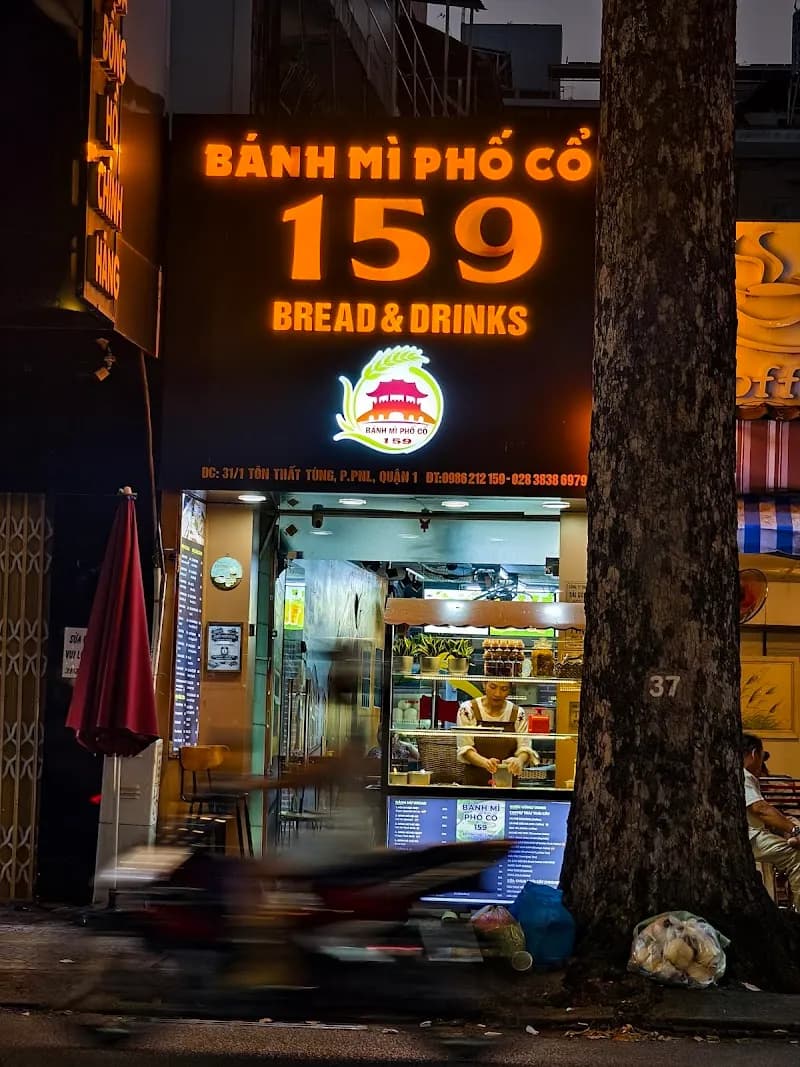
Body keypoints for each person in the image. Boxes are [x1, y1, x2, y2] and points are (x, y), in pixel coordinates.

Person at [743, 732, 800, 911]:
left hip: (754, 834)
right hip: (751, 838)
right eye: (761, 756)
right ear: (754, 754)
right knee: (796, 856)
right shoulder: (744, 776)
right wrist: (794, 830)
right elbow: (760, 809)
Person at [456, 679, 539, 786]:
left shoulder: (518, 713)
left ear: (509, 690)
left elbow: (525, 747)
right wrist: (485, 763)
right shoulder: (468, 710)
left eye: (504, 689)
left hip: (507, 781)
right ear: (484, 685)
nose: (497, 694)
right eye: (493, 687)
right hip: (475, 782)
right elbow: (465, 748)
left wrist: (519, 760)